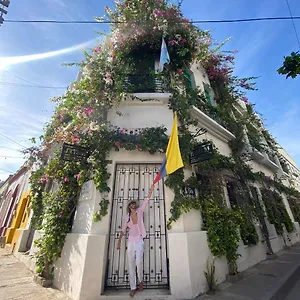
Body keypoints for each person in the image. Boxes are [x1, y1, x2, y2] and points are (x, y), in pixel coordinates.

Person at [117, 184, 155, 297]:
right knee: (131, 264)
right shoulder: (126, 217)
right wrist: (119, 242)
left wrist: (151, 190)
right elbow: (123, 230)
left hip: (139, 240)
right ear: (129, 206)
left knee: (139, 261)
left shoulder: (140, 211)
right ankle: (133, 287)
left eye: (134, 204)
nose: (133, 205)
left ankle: (141, 281)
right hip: (130, 242)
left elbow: (146, 201)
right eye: (131, 204)